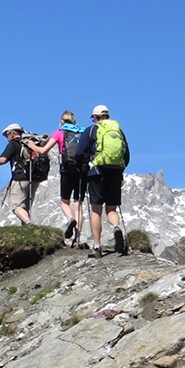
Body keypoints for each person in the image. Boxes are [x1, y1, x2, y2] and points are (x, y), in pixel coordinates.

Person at [25, 111, 88, 245]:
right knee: (78, 204)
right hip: (82, 171)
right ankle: (77, 240)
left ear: (61, 121)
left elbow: (42, 151)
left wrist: (31, 145)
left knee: (65, 202)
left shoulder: (60, 133)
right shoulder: (83, 132)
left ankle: (70, 218)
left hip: (67, 171)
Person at [77, 105, 130, 257]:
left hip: (96, 172)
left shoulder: (91, 130)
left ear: (95, 117)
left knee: (96, 210)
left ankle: (97, 246)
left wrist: (84, 165)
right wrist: (119, 169)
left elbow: (80, 152)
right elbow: (126, 155)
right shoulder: (118, 130)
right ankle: (116, 226)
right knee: (111, 209)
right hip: (115, 172)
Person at [0, 123, 47, 226]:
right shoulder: (30, 143)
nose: (7, 138)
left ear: (12, 133)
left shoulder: (14, 144)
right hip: (35, 177)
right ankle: (27, 231)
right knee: (26, 208)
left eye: (7, 135)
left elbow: (2, 160)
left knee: (17, 206)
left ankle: (29, 223)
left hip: (20, 178)